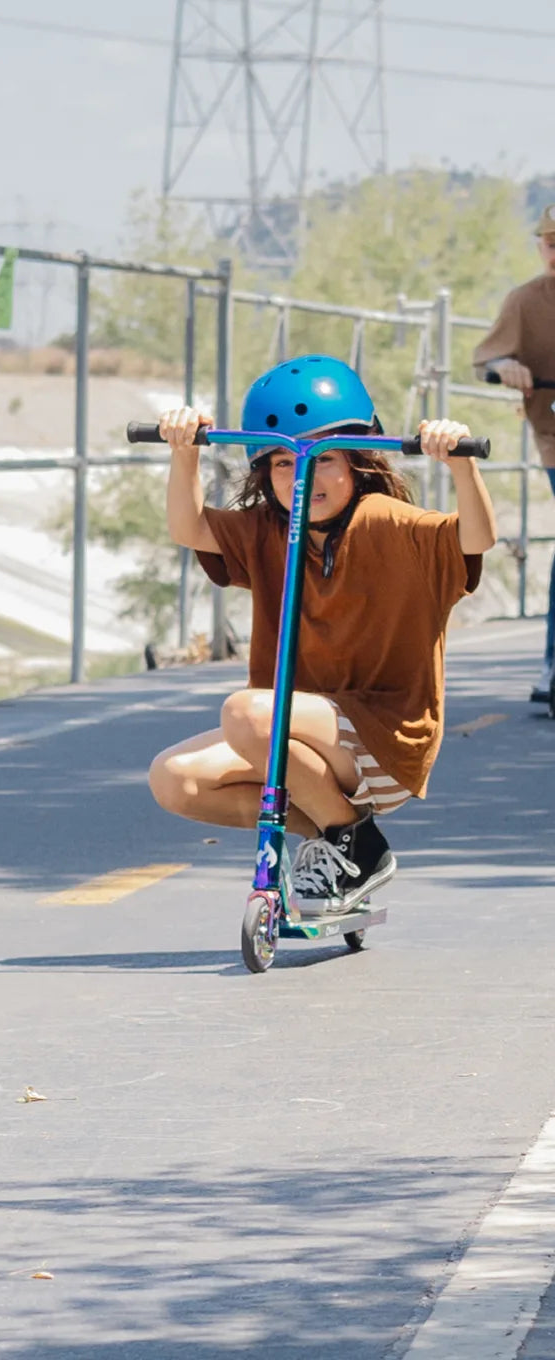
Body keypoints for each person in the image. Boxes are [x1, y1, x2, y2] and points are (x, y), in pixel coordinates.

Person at [147, 354, 496, 915]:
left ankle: (359, 845)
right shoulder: (268, 530)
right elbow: (189, 527)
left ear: (358, 462)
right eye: (284, 462)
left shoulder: (386, 521)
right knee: (174, 779)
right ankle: (336, 840)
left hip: (384, 742)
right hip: (297, 738)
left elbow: (476, 539)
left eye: (323, 458)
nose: (303, 476)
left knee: (246, 713)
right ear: (266, 475)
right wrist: (184, 451)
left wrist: (461, 465)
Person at [472, 203, 555, 704]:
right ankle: (553, 666)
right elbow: (487, 357)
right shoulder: (525, 301)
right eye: (551, 242)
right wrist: (505, 365)